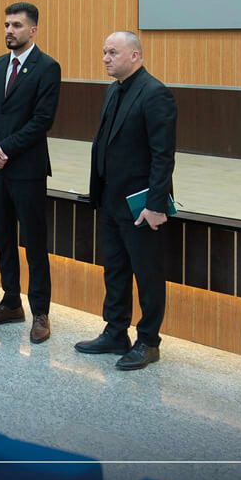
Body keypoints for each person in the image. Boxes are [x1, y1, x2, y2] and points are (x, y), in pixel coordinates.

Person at [75, 31, 177, 370]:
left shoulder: (155, 93)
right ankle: (115, 331)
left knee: (147, 274)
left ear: (134, 55)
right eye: (104, 52)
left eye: (113, 53)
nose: (105, 58)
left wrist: (156, 205)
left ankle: (148, 341)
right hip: (110, 199)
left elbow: (163, 155)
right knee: (115, 270)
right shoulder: (112, 90)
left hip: (141, 205)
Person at [0, 2, 61, 344]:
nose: (9, 30)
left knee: (34, 243)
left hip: (26, 169)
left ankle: (40, 312)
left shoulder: (47, 67)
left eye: (17, 25)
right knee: (3, 239)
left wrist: (3, 149)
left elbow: (42, 121)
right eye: (7, 25)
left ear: (33, 30)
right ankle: (11, 302)